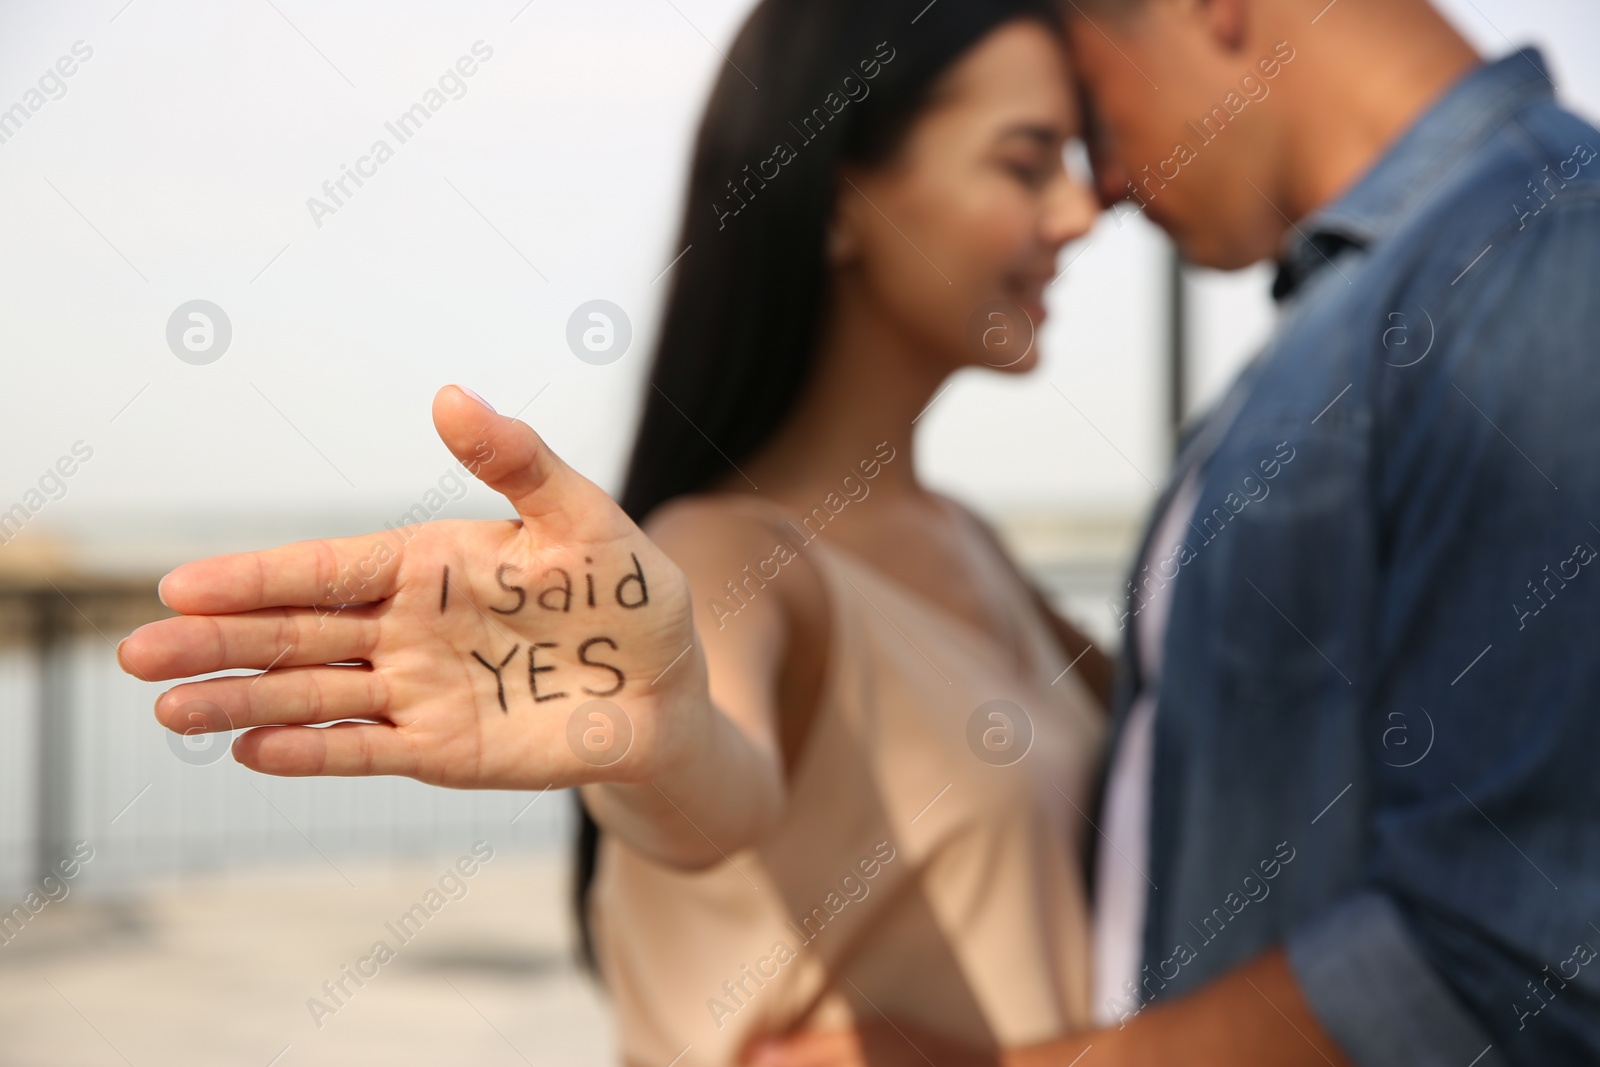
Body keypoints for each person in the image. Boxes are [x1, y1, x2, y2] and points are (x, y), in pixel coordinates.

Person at [116, 2, 1121, 1063]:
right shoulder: (728, 552)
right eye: (1026, 163)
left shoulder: (972, 543)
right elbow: (712, 786)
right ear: (837, 193)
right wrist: (659, 733)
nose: (1079, 210)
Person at [751, 0, 1600, 1065]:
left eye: (1093, 122)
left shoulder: (1535, 248)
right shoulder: (1383, 302)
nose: (1095, 194)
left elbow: (1519, 947)